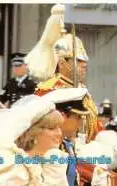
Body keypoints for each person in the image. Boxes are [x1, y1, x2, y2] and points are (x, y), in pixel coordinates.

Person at [25, 4, 98, 142]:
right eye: (79, 60)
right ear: (63, 62)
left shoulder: (82, 90)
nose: (84, 64)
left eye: (85, 61)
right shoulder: (47, 90)